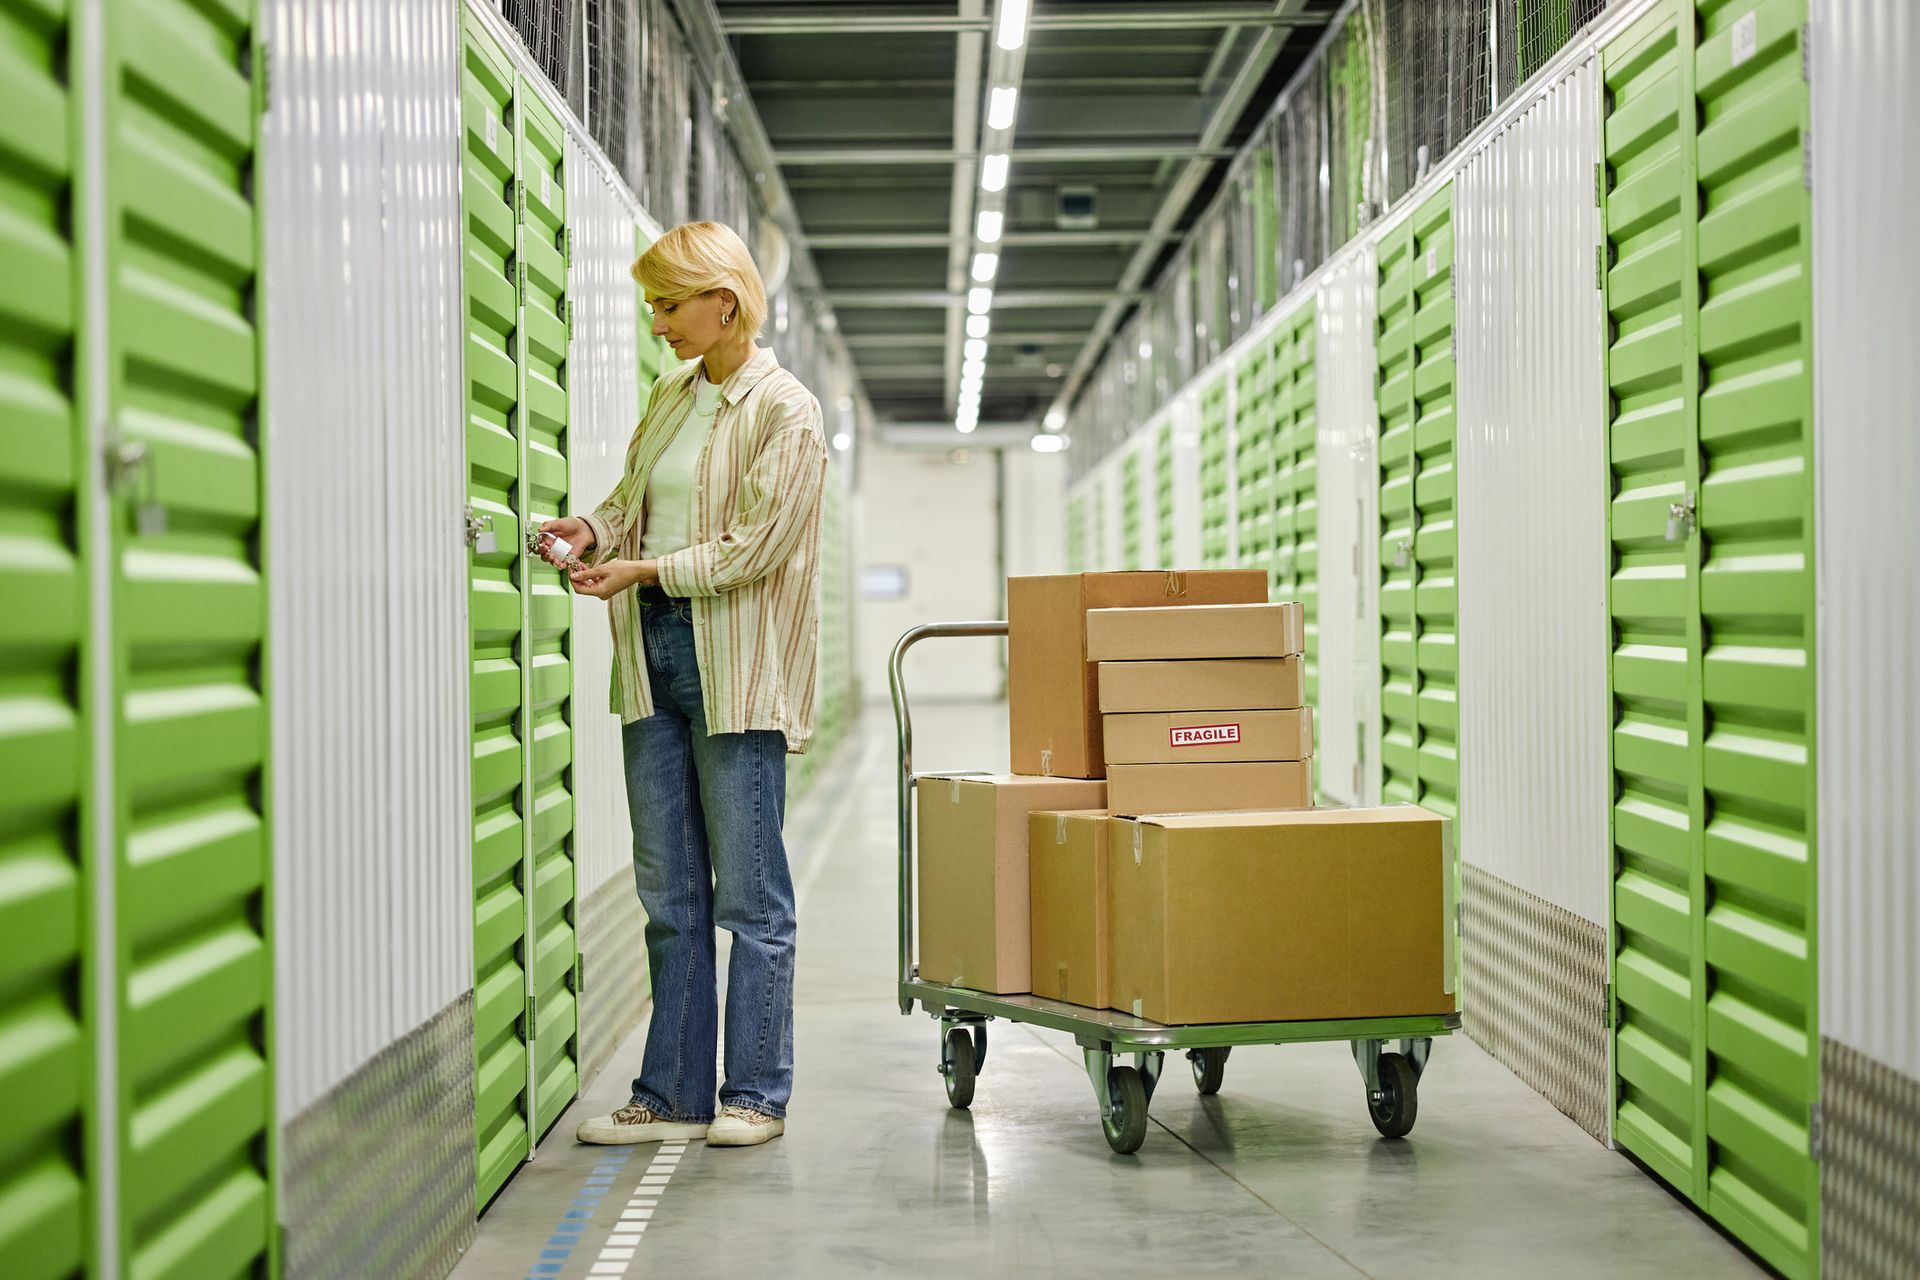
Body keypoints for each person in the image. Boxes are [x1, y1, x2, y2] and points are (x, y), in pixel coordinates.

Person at [539, 220, 827, 1149]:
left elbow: (755, 548)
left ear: (726, 305)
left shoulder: (786, 411)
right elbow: (635, 501)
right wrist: (592, 531)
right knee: (670, 895)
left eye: (669, 305)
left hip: (736, 667)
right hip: (655, 656)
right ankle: (670, 1095)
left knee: (750, 895)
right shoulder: (672, 393)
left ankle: (755, 1094)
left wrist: (644, 572)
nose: (657, 322)